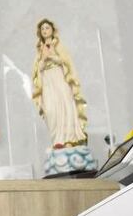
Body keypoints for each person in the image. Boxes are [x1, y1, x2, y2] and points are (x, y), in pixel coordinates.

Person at [31, 18, 89, 149]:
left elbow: (66, 62)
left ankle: (68, 139)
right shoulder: (39, 51)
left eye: (47, 28)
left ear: (52, 30)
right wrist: (43, 60)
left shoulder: (59, 46)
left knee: (66, 105)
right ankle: (57, 139)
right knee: (51, 110)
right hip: (46, 81)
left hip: (60, 78)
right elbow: (36, 71)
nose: (45, 30)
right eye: (42, 29)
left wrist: (52, 56)